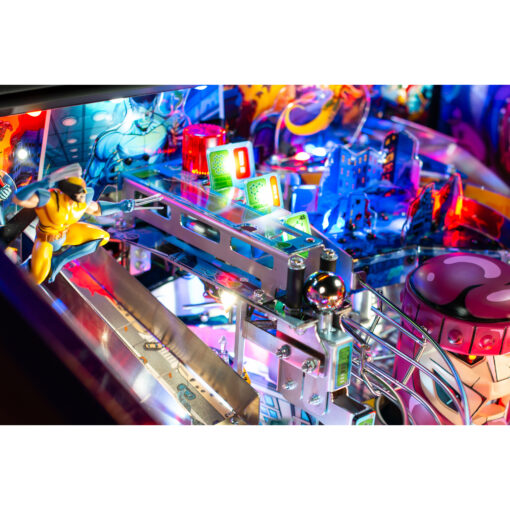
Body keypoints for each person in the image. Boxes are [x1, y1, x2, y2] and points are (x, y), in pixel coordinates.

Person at [12, 163, 134, 284]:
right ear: (69, 193)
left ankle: (60, 259)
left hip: (67, 233)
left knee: (103, 237)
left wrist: (120, 206)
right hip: (46, 240)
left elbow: (97, 209)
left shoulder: (82, 201)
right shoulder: (50, 199)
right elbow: (18, 199)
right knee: (37, 278)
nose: (83, 197)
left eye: (83, 191)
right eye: (79, 194)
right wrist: (43, 183)